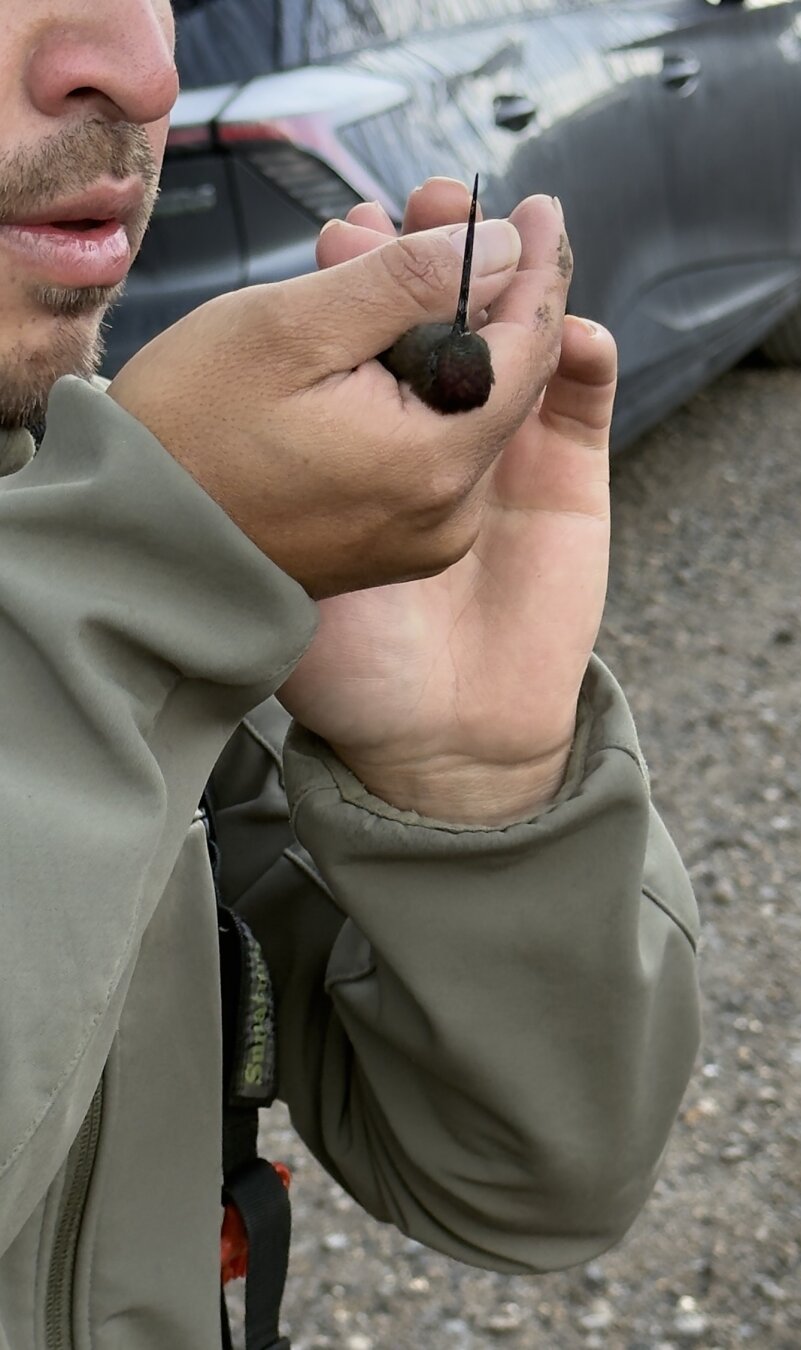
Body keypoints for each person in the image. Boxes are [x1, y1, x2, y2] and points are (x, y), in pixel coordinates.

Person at [0, 3, 701, 1347]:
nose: (144, 70)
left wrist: (471, 787)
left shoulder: (87, 535)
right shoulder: (128, 580)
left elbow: (527, 1183)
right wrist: (129, 585)